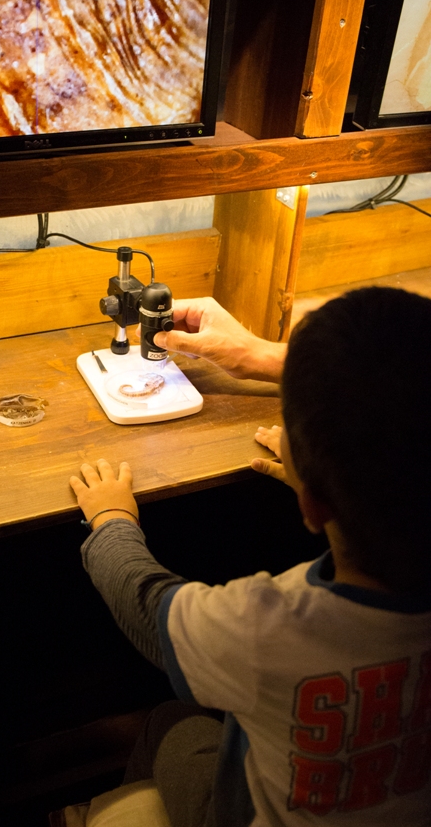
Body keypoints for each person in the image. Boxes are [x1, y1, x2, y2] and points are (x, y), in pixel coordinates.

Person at [69, 287, 431, 826]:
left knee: (171, 721)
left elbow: (147, 608)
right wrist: (325, 483)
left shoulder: (269, 626)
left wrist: (111, 520)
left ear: (311, 505)